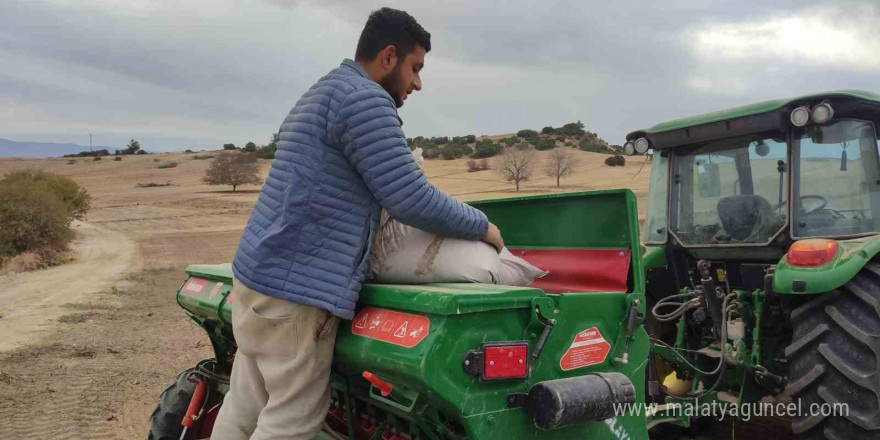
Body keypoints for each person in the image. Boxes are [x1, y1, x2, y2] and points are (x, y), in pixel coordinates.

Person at [211, 7, 504, 440]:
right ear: (388, 56)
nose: (418, 83)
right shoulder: (365, 99)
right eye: (415, 68)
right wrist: (481, 226)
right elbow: (410, 198)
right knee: (291, 421)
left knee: (245, 407)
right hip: (296, 294)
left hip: (258, 279)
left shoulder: (324, 90)